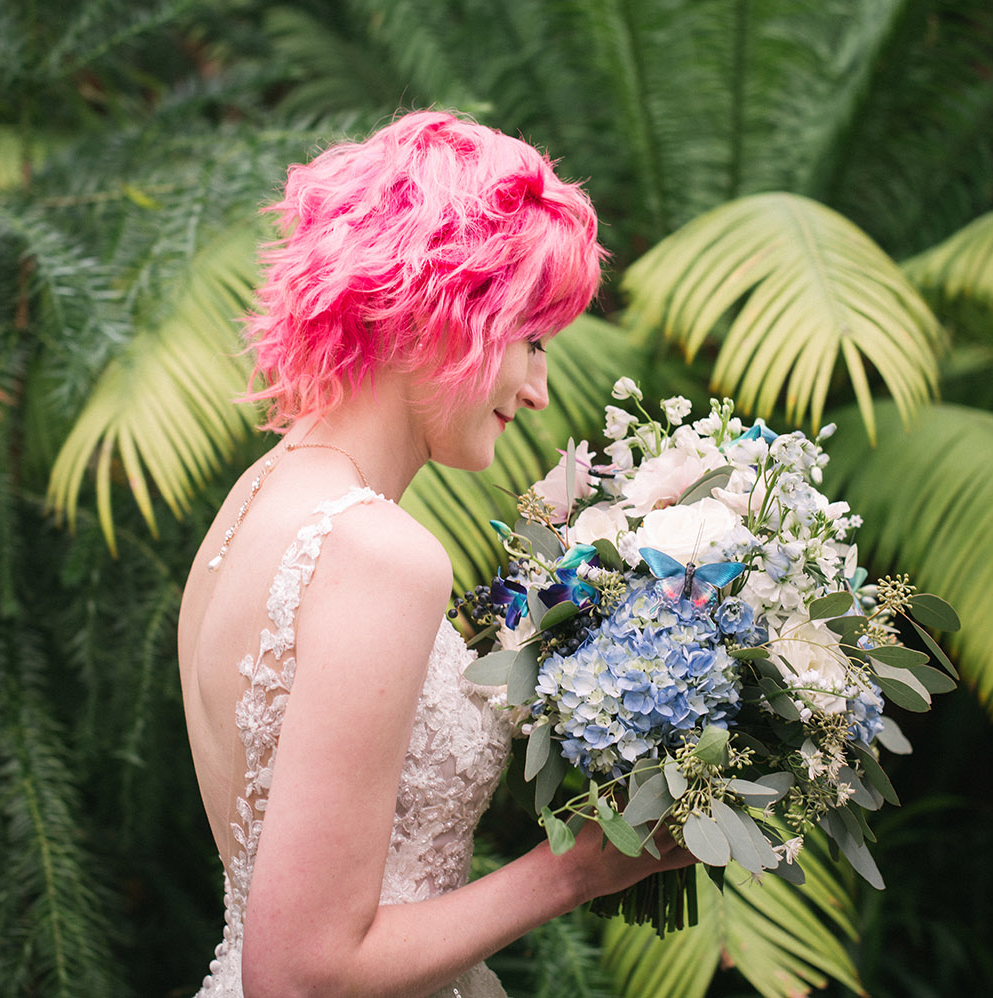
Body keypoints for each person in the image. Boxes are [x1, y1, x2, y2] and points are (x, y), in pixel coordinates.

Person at [177, 110, 695, 998]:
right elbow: (300, 971)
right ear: (446, 306)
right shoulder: (379, 553)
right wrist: (579, 870)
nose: (538, 391)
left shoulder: (257, 501)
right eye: (529, 343)